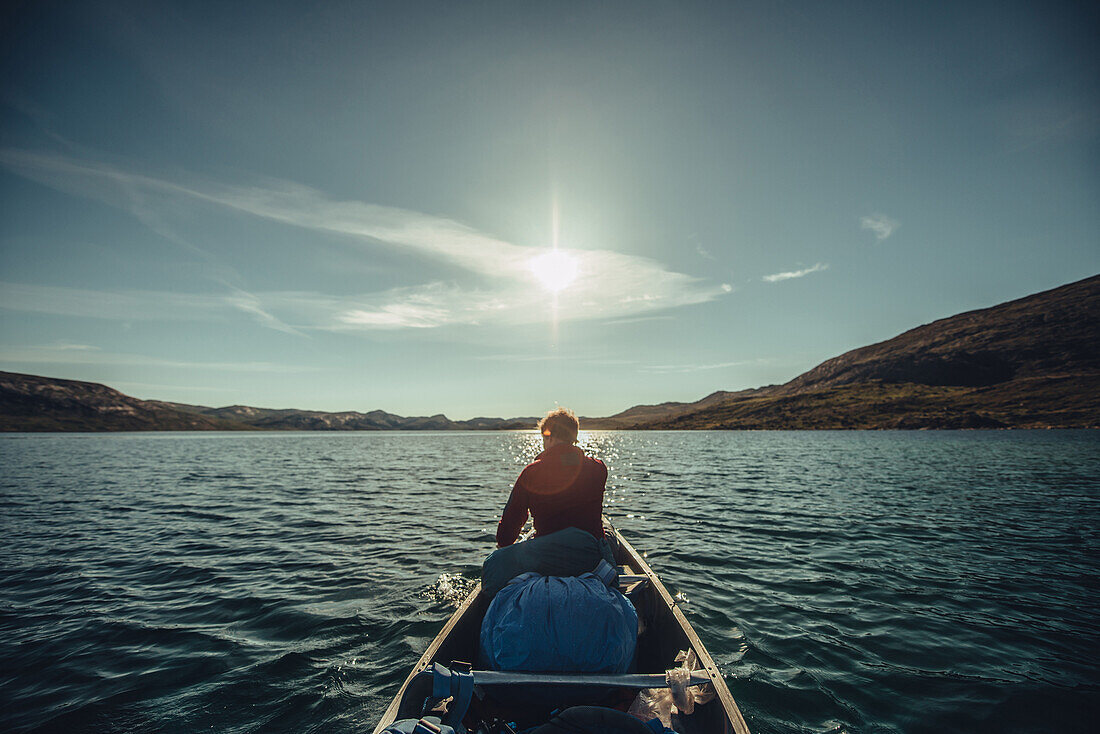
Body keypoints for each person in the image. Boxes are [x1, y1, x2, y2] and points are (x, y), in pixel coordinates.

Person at [496, 407, 607, 548]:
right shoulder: (598, 468)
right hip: (590, 549)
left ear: (550, 437)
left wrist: (503, 544)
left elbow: (512, 520)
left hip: (547, 550)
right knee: (609, 531)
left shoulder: (532, 472)